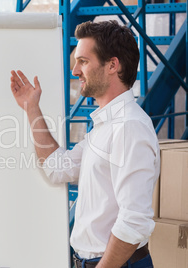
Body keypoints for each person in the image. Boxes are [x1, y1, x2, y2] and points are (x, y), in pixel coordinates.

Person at [10, 20, 160, 268]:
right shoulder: (105, 126)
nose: (75, 70)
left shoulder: (129, 127)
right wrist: (32, 108)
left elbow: (134, 222)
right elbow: (59, 167)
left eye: (83, 61)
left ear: (112, 65)